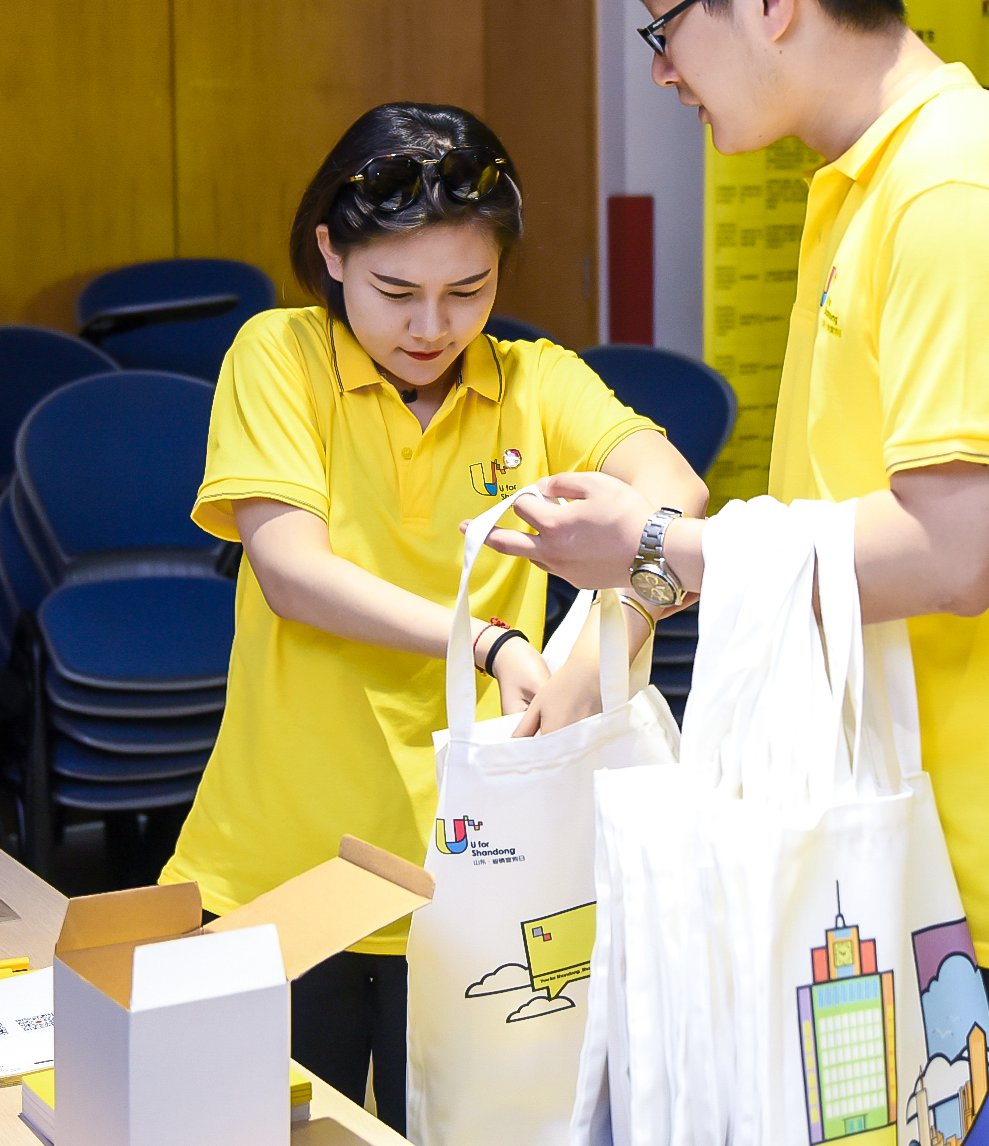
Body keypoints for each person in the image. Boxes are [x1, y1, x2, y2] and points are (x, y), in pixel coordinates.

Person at [483, 0, 989, 1145]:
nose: (661, 70)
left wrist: (661, 550)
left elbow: (952, 550)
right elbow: (839, 508)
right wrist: (636, 590)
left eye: (661, 21)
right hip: (899, 828)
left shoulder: (958, 193)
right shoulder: (866, 184)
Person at [161, 103, 707, 1132]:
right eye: (395, 291)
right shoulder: (279, 355)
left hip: (475, 880)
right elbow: (291, 571)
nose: (430, 327)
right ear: (331, 253)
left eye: (468, 291)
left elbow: (677, 496)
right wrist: (493, 643)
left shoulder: (534, 381)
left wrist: (606, 643)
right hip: (284, 862)